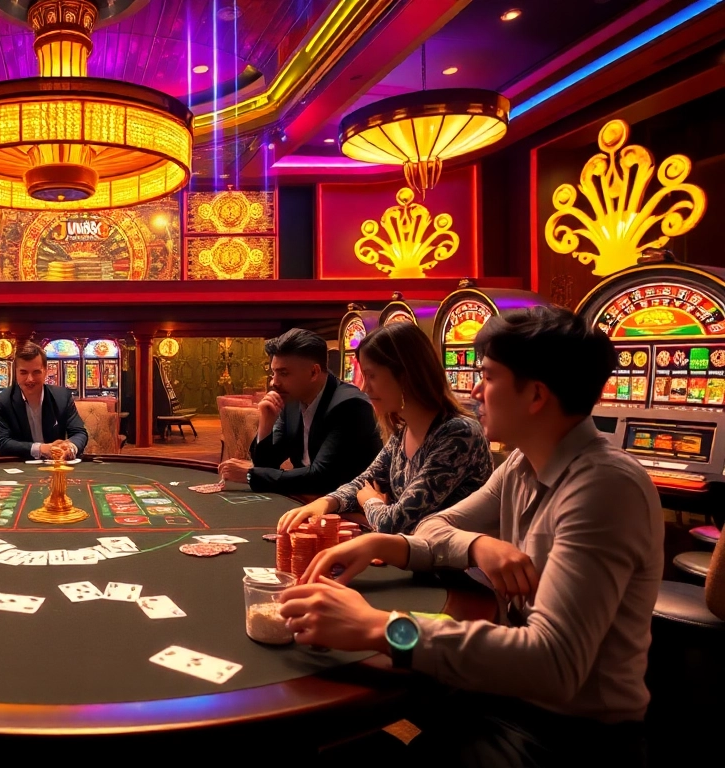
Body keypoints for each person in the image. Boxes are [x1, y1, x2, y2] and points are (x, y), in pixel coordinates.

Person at [279, 307, 659, 766]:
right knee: (346, 743)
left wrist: (379, 628)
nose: (475, 390)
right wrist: (420, 544)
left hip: (567, 739)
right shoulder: (521, 465)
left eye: (489, 376)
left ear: (536, 395)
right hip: (495, 699)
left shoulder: (605, 487)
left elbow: (554, 664)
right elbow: (433, 526)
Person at [276, 321, 492, 534]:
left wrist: (370, 501)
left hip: (454, 557)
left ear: (405, 376)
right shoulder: (402, 432)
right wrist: (325, 503)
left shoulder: (458, 434)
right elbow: (364, 482)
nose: (364, 387)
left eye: (371, 376)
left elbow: (394, 523)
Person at [218, 328, 380, 497]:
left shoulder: (349, 405)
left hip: (350, 502)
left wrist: (250, 475)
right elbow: (266, 465)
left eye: (284, 373)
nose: (274, 383)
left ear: (313, 372)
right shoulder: (292, 401)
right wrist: (266, 422)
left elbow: (322, 478)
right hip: (307, 496)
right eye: (273, 373)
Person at [0, 341, 88, 459]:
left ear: (46, 371)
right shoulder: (3, 401)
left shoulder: (62, 397)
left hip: (56, 463)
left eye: (36, 372)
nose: (30, 379)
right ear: (15, 372)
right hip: (22, 465)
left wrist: (70, 447)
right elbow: (3, 443)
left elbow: (79, 433)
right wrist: (41, 449)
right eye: (23, 372)